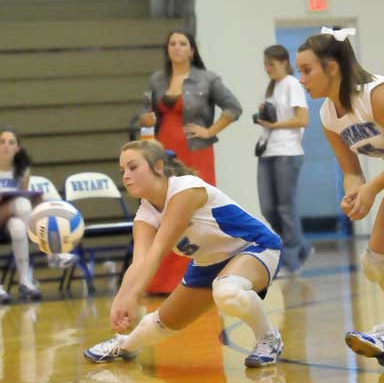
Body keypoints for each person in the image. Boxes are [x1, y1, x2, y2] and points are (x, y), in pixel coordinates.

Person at [84, 140, 283, 368]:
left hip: (255, 247)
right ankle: (125, 344)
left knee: (226, 291)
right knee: (160, 323)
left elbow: (158, 252)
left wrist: (134, 295)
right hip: (208, 264)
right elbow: (139, 262)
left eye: (133, 167)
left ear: (158, 167)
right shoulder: (145, 213)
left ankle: (269, 338)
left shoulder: (185, 190)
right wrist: (121, 298)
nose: (125, 176)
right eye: (122, 171)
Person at [296, 27, 384, 370]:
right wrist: (355, 192)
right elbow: (351, 171)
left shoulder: (376, 94)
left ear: (332, 68)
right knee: (374, 261)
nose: (301, 79)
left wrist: (373, 188)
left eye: (306, 70)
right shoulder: (328, 116)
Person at [139, 29, 242, 293]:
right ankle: (162, 281)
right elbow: (145, 114)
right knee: (164, 212)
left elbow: (234, 108)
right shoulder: (157, 79)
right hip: (163, 153)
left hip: (196, 151)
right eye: (172, 43)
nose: (176, 47)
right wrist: (145, 123)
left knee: (194, 213)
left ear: (192, 50)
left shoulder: (207, 79)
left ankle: (202, 276)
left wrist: (210, 131)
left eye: (182, 43)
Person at [255, 44, 313, 276]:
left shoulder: (291, 84)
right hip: (268, 150)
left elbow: (303, 119)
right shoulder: (272, 88)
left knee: (285, 207)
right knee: (268, 208)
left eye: (271, 63)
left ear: (283, 62)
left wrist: (275, 124)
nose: (267, 68)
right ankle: (303, 247)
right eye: (265, 64)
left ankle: (290, 258)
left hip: (287, 152)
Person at [0, 128, 42, 303]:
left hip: (9, 219)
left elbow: (24, 196)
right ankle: (48, 249)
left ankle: (25, 281)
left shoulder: (22, 170)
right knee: (21, 204)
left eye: (11, 142)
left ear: (18, 147)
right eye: (2, 142)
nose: (6, 146)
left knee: (19, 225)